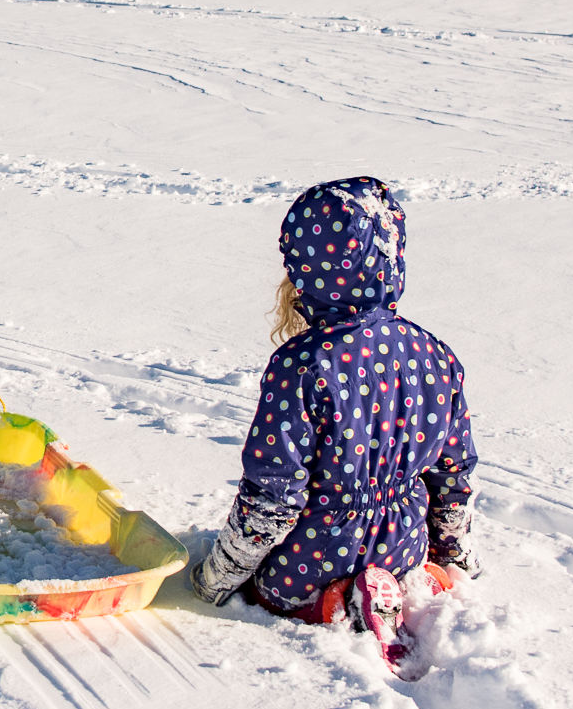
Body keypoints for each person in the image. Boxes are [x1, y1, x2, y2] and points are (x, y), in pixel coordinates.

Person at [190, 177, 478, 657]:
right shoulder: (433, 353)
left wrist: (214, 581)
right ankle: (396, 588)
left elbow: (272, 500)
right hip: (402, 544)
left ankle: (330, 603)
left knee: (273, 587)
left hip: (312, 560)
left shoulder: (303, 364)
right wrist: (454, 560)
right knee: (397, 562)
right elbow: (452, 476)